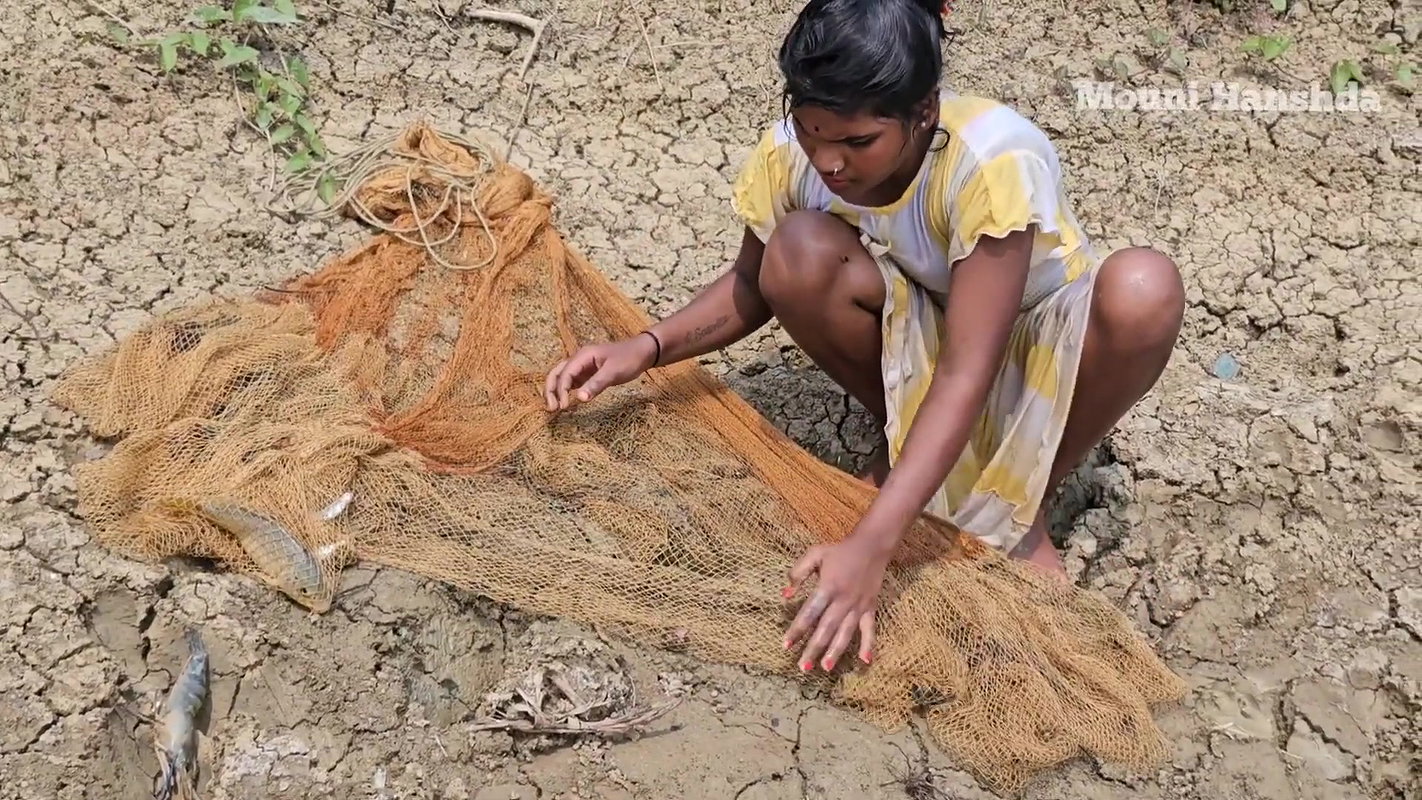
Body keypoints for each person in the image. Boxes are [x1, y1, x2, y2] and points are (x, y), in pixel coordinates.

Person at [542, 0, 1185, 674]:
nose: (830, 162)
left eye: (856, 143)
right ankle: (909, 452)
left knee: (1144, 288)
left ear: (924, 113)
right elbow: (753, 283)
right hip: (924, 340)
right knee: (797, 250)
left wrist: (871, 547)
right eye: (813, 133)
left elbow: (971, 368)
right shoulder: (793, 157)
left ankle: (1019, 502)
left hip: (1034, 353)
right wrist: (642, 349)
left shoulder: (989, 161)